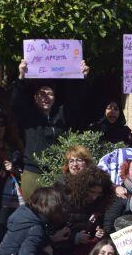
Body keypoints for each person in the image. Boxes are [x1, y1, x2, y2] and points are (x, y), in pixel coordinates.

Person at [14, 59, 90, 193]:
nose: (45, 97)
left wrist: (82, 77)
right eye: (41, 94)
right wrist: (21, 77)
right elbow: (17, 101)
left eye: (49, 93)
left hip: (57, 172)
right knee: (32, 212)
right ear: (35, 98)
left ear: (54, 97)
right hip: (33, 172)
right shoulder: (28, 116)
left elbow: (77, 100)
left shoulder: (62, 115)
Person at [59, 165, 115, 255]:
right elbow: (55, 232)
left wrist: (100, 232)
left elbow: (97, 225)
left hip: (87, 254)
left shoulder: (100, 202)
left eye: (99, 193)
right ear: (83, 189)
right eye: (92, 192)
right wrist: (75, 238)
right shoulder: (66, 201)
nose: (94, 197)